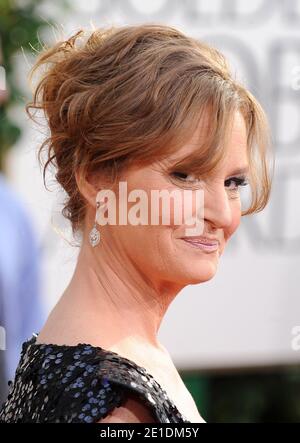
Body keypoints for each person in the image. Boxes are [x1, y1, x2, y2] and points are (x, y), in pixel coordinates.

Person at [0, 23, 273, 423]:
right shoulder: (117, 405)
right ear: (94, 178)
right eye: (184, 175)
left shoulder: (90, 360)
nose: (223, 213)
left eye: (233, 182)